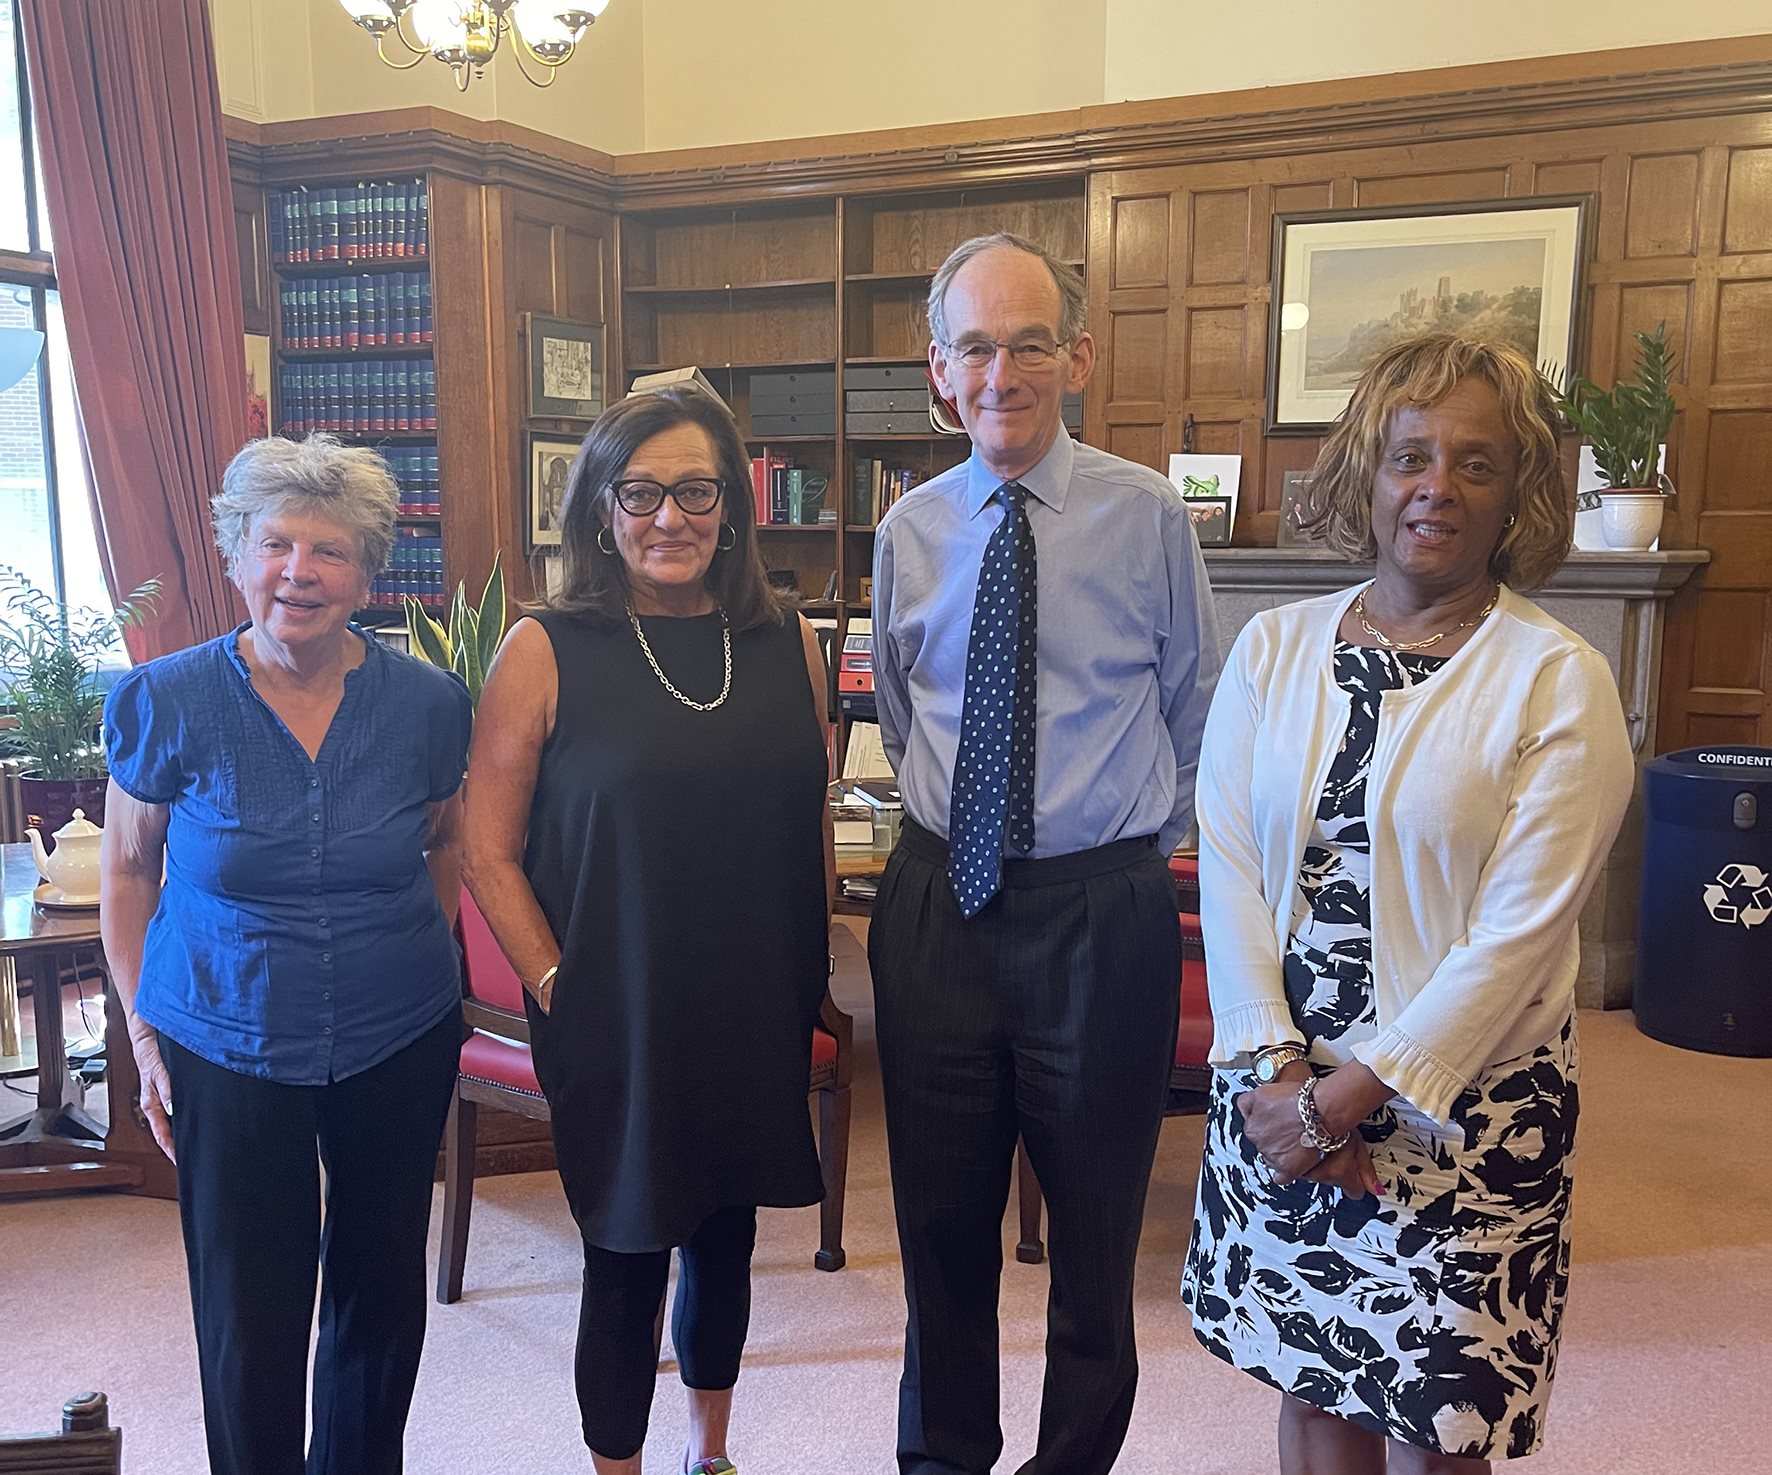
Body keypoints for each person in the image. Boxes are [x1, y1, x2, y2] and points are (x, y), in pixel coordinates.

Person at [1182, 335, 1635, 1471]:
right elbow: (1228, 865)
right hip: (1277, 1081)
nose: (1435, 485)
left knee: (1440, 1422)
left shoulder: (1555, 678)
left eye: (1474, 463)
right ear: (1365, 475)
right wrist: (1280, 1078)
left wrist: (1346, 1097)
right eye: (1409, 455)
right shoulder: (1271, 647)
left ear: (1515, 494)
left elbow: (1516, 937)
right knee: (1315, 1383)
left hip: (1463, 1108)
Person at [869, 231, 1221, 1475]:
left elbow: (1191, 709)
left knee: (1092, 1238)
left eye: (1027, 341)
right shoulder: (906, 530)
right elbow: (909, 715)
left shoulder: (1147, 517)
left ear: (1074, 354)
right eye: (973, 345)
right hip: (936, 908)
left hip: (1098, 915)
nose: (1000, 369)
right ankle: (943, 1458)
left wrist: (1111, 847)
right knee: (940, 1230)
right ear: (938, 368)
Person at [462, 386, 833, 1475]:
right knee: (624, 1249)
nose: (668, 517)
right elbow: (487, 849)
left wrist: (808, 969)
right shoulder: (544, 645)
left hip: (749, 1001)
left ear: (731, 510)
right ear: (600, 507)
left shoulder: (785, 642)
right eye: (641, 492)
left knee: (727, 1235)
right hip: (611, 1009)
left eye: (695, 491)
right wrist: (556, 980)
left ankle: (706, 1451)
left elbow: (803, 810)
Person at [99, 433, 473, 1475]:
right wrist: (140, 1025)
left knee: (377, 1289)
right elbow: (128, 872)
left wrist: (420, 968)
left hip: (396, 1033)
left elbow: (442, 844)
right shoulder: (164, 698)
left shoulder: (427, 705)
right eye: (275, 544)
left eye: (330, 551)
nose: (298, 572)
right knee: (248, 1303)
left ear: (366, 571)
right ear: (236, 555)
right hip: (223, 1031)